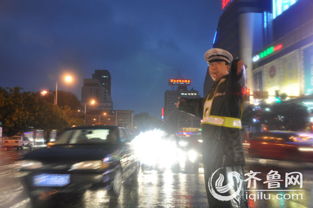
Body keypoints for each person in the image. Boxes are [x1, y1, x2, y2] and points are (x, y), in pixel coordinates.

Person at [178, 48, 247, 207]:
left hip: (227, 147)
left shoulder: (231, 86)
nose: (213, 68)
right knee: (215, 195)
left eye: (217, 63)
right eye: (210, 65)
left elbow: (238, 74)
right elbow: (201, 106)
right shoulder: (213, 92)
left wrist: (237, 66)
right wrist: (183, 105)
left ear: (228, 67)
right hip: (212, 147)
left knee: (231, 198)